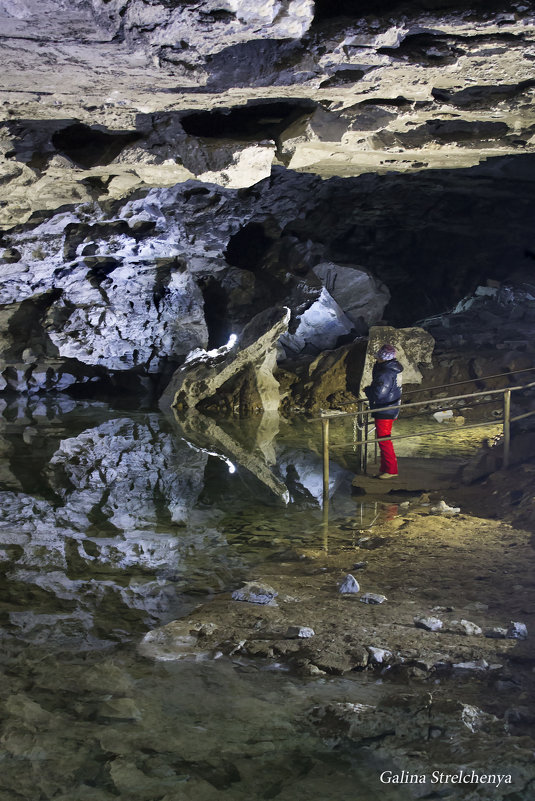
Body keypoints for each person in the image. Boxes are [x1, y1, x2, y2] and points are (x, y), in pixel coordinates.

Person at [364, 343, 403, 479]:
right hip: (390, 406)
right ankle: (385, 468)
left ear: (383, 358)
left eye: (378, 357)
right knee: (383, 439)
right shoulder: (392, 369)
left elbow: (379, 393)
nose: (376, 359)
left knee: (384, 439)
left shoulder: (386, 372)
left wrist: (368, 391)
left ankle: (391, 470)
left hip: (385, 408)